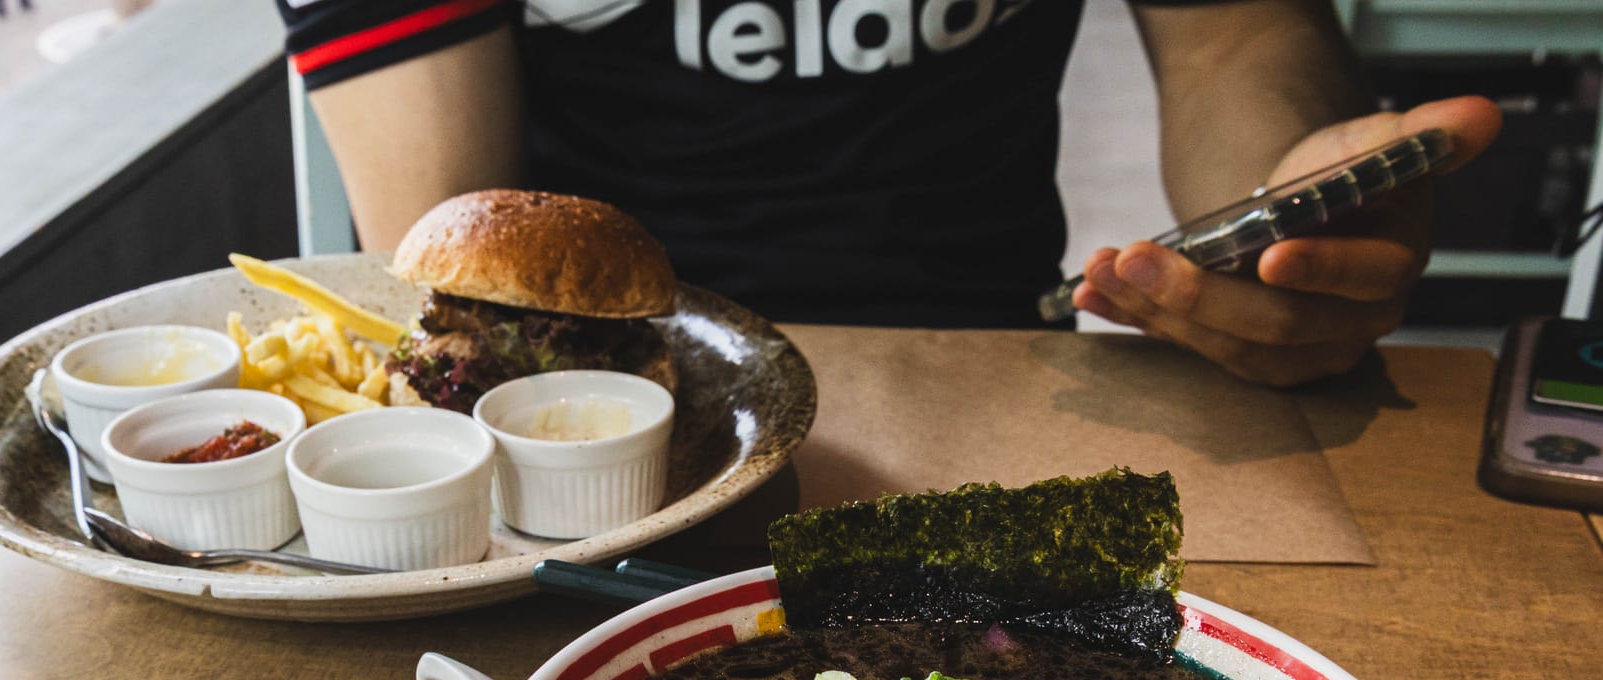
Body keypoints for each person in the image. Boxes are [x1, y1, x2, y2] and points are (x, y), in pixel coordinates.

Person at [274, 0, 1502, 387]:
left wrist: (1278, 209)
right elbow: (443, 250)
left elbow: (1231, 37)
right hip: (610, 399)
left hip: (996, 369)